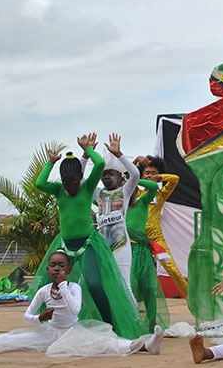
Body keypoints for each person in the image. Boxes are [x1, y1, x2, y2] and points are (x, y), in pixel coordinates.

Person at [0, 250, 163, 357]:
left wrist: (63, 286)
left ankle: (146, 346)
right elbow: (27, 317)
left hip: (72, 331)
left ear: (69, 270)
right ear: (47, 269)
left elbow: (75, 310)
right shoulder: (44, 291)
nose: (57, 269)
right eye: (53, 265)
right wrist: (40, 318)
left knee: (106, 343)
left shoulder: (73, 288)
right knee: (7, 339)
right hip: (48, 333)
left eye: (61, 266)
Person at [31, 133, 144, 340]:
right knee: (54, 284)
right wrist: (51, 162)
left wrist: (92, 151)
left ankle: (114, 325)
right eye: (67, 183)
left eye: (75, 182)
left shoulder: (93, 189)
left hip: (102, 244)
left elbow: (101, 165)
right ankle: (51, 323)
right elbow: (40, 183)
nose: (71, 186)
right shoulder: (65, 191)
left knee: (101, 284)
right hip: (68, 244)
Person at [86, 134, 139, 295]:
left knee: (125, 286)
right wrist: (86, 154)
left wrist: (119, 154)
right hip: (103, 247)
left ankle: (131, 313)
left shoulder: (125, 191)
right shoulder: (99, 194)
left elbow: (135, 174)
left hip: (120, 245)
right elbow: (81, 180)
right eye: (103, 174)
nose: (106, 177)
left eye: (111, 173)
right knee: (102, 286)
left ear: (119, 175)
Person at [133, 155, 187, 298]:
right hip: (136, 238)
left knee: (172, 269)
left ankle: (191, 298)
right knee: (134, 272)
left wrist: (160, 178)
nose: (150, 176)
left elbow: (175, 179)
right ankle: (135, 303)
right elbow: (127, 176)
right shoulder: (135, 192)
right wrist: (136, 161)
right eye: (147, 173)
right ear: (141, 176)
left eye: (153, 173)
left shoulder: (161, 194)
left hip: (156, 238)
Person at [126, 177, 170, 332]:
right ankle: (129, 324)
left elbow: (152, 187)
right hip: (125, 251)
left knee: (149, 287)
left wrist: (134, 178)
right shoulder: (117, 206)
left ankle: (151, 325)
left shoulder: (143, 202)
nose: (128, 191)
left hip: (142, 250)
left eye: (131, 188)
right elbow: (96, 196)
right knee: (129, 287)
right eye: (126, 188)